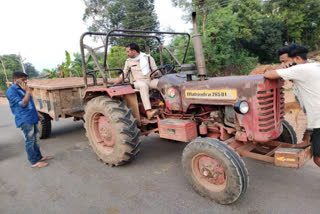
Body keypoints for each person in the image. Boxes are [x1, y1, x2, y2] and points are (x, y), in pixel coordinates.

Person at [264, 44, 320, 167]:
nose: (283, 64)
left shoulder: (300, 69)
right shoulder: (313, 65)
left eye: (285, 61)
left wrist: (281, 68)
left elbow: (267, 75)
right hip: (317, 121)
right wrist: (307, 136)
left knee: (318, 159)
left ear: (298, 59)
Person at [6, 72, 52, 168]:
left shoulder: (23, 89)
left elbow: (30, 102)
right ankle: (34, 162)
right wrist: (27, 92)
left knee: (35, 139)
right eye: (22, 80)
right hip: (24, 119)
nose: (25, 82)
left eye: (25, 80)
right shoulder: (11, 91)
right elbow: (23, 104)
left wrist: (37, 113)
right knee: (30, 141)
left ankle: (39, 157)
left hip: (32, 116)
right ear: (15, 80)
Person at [114, 43, 160, 119]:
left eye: (128, 52)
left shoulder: (148, 58)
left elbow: (156, 70)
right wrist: (115, 83)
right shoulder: (128, 62)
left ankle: (169, 107)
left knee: (162, 83)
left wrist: (154, 74)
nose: (127, 54)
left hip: (149, 80)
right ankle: (148, 111)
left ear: (134, 51)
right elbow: (124, 74)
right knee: (143, 86)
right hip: (138, 82)